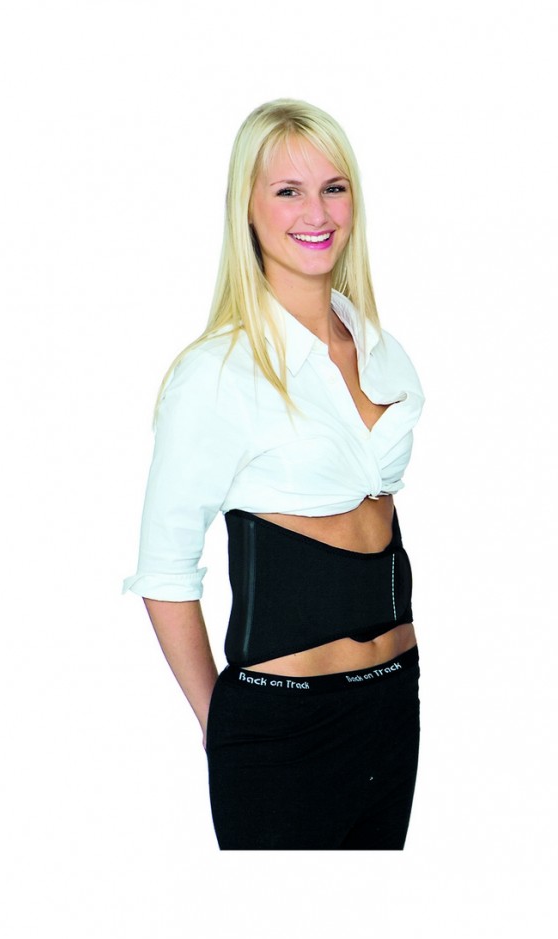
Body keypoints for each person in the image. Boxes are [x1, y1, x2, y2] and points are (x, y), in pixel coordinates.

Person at [123, 99, 425, 850]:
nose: (316, 212)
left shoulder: (381, 350)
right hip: (282, 725)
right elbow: (165, 571)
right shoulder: (217, 373)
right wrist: (220, 725)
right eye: (288, 191)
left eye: (333, 187)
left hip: (394, 703)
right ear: (247, 208)